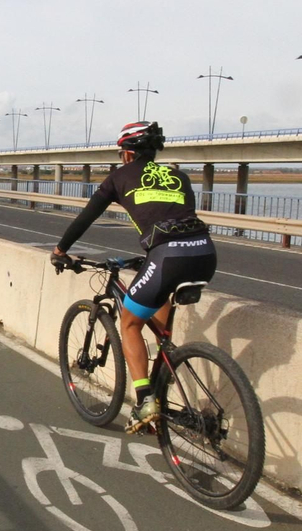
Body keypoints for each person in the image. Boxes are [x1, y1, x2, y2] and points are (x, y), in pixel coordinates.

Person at [50, 121, 218, 429]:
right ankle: (161, 379)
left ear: (127, 155)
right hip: (205, 253)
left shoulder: (119, 177)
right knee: (159, 310)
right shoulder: (179, 177)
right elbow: (176, 219)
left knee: (129, 323)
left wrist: (60, 251)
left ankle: (144, 402)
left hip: (169, 257)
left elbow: (86, 218)